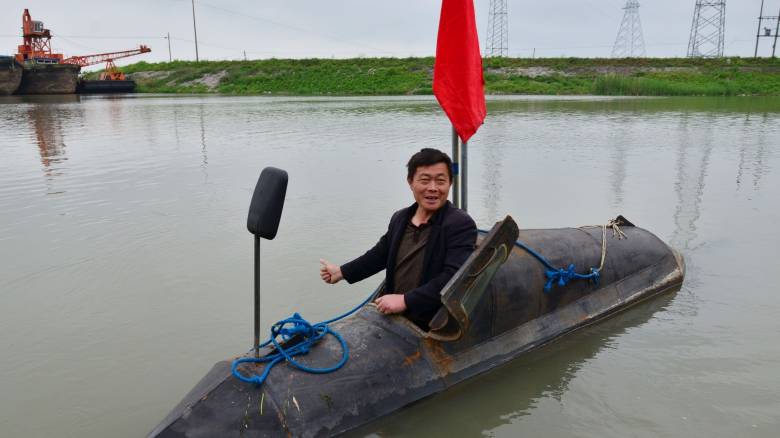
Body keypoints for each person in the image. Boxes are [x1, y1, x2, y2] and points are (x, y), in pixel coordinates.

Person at [319, 148, 477, 330]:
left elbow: (454, 278)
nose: (433, 188)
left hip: (429, 321)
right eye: (424, 180)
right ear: (410, 182)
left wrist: (405, 300)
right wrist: (341, 272)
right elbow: (380, 255)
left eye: (440, 181)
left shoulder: (460, 224)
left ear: (450, 184)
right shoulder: (401, 218)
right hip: (393, 314)